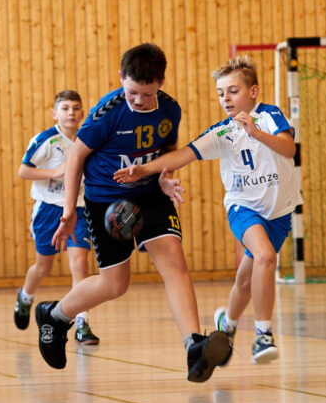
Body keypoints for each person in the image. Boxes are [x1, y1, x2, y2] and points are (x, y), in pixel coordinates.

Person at [35, 43, 231, 382]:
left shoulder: (170, 109)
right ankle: (54, 316)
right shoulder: (107, 112)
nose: (137, 100)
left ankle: (193, 347)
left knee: (173, 260)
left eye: (145, 93)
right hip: (106, 202)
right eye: (131, 92)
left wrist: (166, 179)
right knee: (116, 284)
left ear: (160, 83)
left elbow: (168, 150)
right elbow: (76, 159)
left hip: (150, 192)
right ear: (121, 79)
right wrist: (69, 210)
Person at [114, 55, 301, 363]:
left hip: (278, 213)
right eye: (220, 92)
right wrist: (145, 169)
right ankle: (263, 336)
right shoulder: (222, 132)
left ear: (253, 92)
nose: (225, 98)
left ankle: (226, 325)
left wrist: (256, 133)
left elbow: (288, 149)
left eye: (232, 91)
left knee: (246, 279)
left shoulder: (270, 116)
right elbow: (183, 155)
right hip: (244, 208)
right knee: (266, 256)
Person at [13, 90, 99, 345]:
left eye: (75, 108)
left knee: (79, 264)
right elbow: (23, 171)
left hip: (79, 208)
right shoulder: (46, 140)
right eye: (65, 108)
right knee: (44, 266)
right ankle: (26, 297)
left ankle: (82, 323)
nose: (71, 112)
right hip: (48, 210)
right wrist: (55, 172)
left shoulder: (89, 140)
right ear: (55, 114)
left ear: (82, 113)